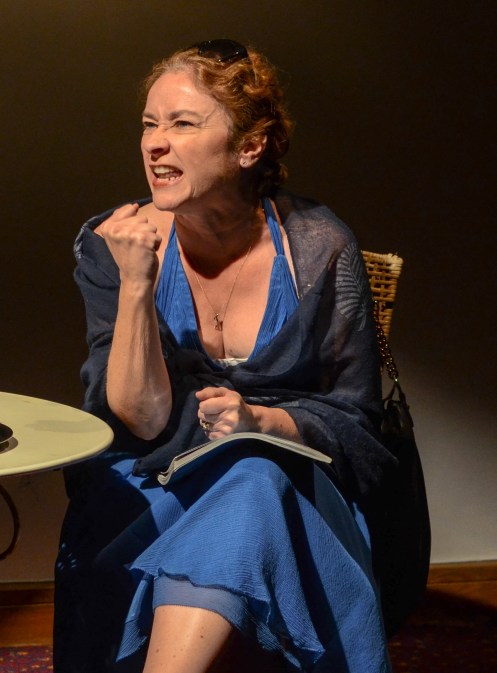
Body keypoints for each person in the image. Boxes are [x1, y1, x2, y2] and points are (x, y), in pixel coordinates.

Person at [54, 39, 396, 673]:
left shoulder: (319, 248)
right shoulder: (114, 243)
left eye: (183, 123)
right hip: (154, 487)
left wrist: (260, 423)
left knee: (254, 479)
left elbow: (357, 425)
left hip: (292, 491)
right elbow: (140, 418)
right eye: (149, 124)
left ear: (249, 146)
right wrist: (136, 283)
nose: (155, 145)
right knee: (247, 487)